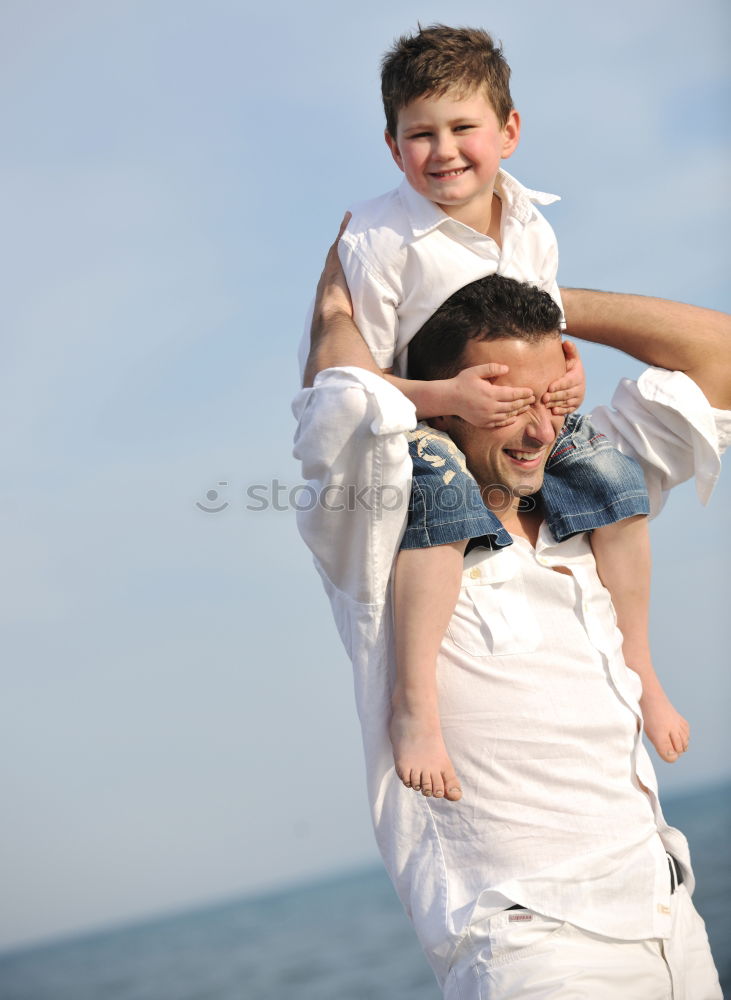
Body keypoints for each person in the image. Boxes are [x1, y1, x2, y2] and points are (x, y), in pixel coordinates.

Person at [293, 231, 730, 997]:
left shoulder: (584, 483)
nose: (537, 433)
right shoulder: (378, 524)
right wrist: (335, 306)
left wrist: (548, 303)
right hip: (533, 945)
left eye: (549, 401)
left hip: (669, 918)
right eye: (507, 405)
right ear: (443, 401)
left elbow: (719, 354)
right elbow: (342, 400)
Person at [301, 25, 688, 805]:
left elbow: (541, 328)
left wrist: (565, 376)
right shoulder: (377, 241)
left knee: (611, 481)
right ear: (391, 145)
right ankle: (415, 704)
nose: (442, 151)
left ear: (507, 131)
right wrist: (446, 400)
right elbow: (347, 385)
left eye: (461, 127)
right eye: (420, 134)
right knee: (439, 495)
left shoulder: (531, 223)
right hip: (426, 421)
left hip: (518, 416)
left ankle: (640, 665)